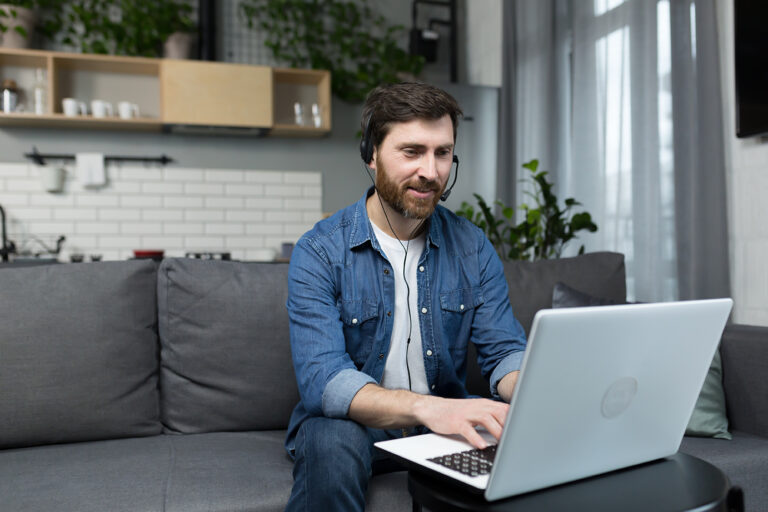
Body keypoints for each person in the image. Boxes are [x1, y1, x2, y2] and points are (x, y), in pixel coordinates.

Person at [284, 82, 527, 511]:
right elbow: (326, 383)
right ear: (371, 154)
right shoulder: (320, 250)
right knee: (329, 437)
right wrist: (427, 408)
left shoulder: (471, 246)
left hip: (446, 425)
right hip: (361, 428)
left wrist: (536, 388)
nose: (431, 171)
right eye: (411, 152)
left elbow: (504, 350)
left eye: (443, 153)